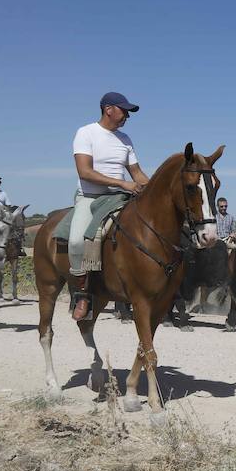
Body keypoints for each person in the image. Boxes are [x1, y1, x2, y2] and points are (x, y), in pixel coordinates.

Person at [71, 92, 149, 321]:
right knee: (77, 240)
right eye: (124, 110)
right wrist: (121, 182)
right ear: (108, 109)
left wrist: (157, 188)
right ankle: (82, 294)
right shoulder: (86, 133)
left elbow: (137, 174)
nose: (127, 116)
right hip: (90, 197)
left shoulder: (125, 139)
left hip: (120, 197)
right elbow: (84, 171)